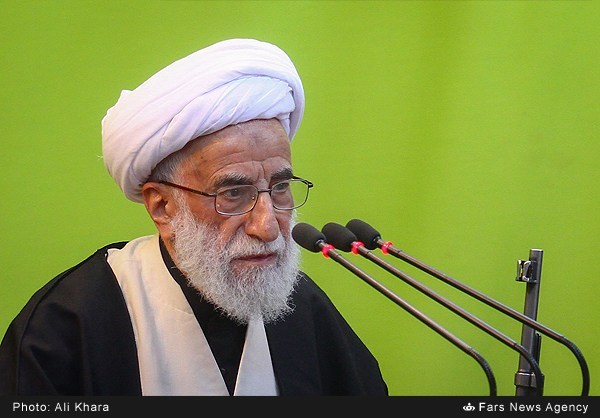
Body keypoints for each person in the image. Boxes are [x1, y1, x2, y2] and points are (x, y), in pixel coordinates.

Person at [0, 38, 388, 396]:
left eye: (281, 187)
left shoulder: (301, 306)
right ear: (162, 207)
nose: (268, 226)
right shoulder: (68, 325)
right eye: (233, 194)